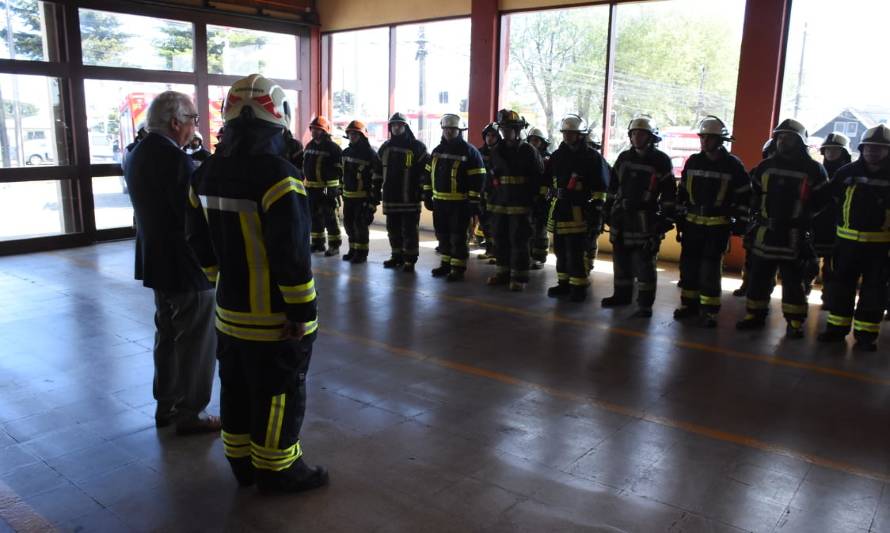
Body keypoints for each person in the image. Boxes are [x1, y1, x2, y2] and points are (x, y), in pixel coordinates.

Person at [185, 74, 327, 492]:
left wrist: (221, 280)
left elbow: (197, 241)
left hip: (229, 312)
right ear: (279, 119)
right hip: (274, 319)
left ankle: (241, 462)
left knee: (237, 387)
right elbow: (292, 256)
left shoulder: (206, 173)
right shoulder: (281, 177)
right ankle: (280, 470)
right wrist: (302, 312)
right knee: (280, 392)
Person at [123, 91, 219, 435]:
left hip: (157, 261)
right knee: (196, 341)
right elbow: (191, 218)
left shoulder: (135, 153)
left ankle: (167, 404)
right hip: (186, 266)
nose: (195, 126)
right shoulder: (174, 160)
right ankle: (192, 412)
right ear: (176, 122)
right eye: (193, 119)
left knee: (167, 335)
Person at [736, 118, 829, 338]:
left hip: (795, 236)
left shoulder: (814, 169)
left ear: (799, 141)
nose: (782, 140)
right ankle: (754, 315)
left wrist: (805, 219)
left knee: (794, 282)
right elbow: (754, 195)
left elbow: (823, 201)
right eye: (780, 136)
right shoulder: (764, 167)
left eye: (788, 137)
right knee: (758, 277)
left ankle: (795, 322)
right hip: (765, 233)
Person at [817, 125, 890, 351]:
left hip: (880, 247)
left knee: (874, 291)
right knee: (841, 288)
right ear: (862, 148)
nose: (872, 152)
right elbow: (827, 202)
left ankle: (866, 336)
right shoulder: (847, 173)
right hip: (845, 244)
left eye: (879, 148)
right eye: (869, 147)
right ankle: (836, 331)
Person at [673, 116, 751, 327]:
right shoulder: (693, 161)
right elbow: (682, 192)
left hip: (718, 226)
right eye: (703, 137)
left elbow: (745, 195)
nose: (704, 141)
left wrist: (740, 221)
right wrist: (678, 215)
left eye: (709, 138)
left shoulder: (733, 165)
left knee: (710, 269)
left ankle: (709, 310)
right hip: (692, 224)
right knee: (688, 267)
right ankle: (689, 305)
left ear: (721, 140)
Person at [602, 116, 676, 317]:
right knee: (621, 261)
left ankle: (644, 305)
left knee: (644, 264)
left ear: (651, 137)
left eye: (641, 134)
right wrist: (607, 210)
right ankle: (621, 296)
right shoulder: (624, 158)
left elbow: (669, 193)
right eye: (633, 133)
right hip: (621, 218)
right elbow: (613, 187)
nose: (636, 137)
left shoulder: (661, 161)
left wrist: (665, 219)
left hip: (645, 220)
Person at [546, 114, 610, 302]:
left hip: (580, 212)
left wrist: (597, 212)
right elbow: (547, 181)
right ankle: (563, 283)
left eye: (571, 133)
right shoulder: (557, 156)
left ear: (580, 135)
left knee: (576, 252)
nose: (567, 136)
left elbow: (601, 188)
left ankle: (579, 286)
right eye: (565, 133)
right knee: (559, 250)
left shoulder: (592, 158)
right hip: (559, 210)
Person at [484, 109, 545, 291]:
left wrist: (536, 203)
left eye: (509, 128)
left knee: (519, 241)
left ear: (517, 130)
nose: (505, 132)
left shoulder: (529, 151)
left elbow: (538, 179)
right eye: (503, 128)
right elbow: (490, 178)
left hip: (520, 205)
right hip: (499, 204)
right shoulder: (496, 151)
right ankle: (503, 273)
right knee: (500, 239)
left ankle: (519, 277)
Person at [423, 114, 486, 281]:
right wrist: (427, 194)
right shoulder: (437, 151)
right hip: (439, 203)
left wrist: (473, 202)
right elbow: (428, 173)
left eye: (452, 129)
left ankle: (457, 269)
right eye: (446, 129)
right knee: (442, 235)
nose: (449, 132)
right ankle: (445, 264)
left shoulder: (469, 152)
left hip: (460, 204)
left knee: (458, 236)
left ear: (459, 131)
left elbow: (478, 179)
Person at [374, 112, 428, 272]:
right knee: (393, 229)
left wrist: (423, 191)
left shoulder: (417, 147)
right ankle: (396, 256)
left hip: (410, 197)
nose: (396, 127)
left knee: (410, 230)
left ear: (405, 126)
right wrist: (375, 190)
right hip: (390, 197)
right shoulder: (385, 147)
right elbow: (376, 172)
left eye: (399, 125)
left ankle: (410, 260)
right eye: (394, 125)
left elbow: (425, 171)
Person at [807, 133, 852, 303]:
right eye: (828, 149)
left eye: (836, 150)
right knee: (809, 261)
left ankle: (829, 296)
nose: (831, 153)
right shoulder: (817, 170)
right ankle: (804, 290)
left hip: (838, 225)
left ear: (844, 153)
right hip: (816, 222)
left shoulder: (849, 174)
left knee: (832, 265)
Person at [340, 120, 382, 264]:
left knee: (360, 225)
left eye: (355, 134)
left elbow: (376, 180)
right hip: (348, 197)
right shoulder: (345, 153)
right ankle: (352, 250)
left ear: (362, 135)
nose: (352, 136)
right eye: (350, 134)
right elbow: (342, 174)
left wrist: (372, 202)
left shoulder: (370, 154)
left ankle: (362, 253)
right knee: (348, 224)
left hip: (362, 198)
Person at [303, 116, 343, 257]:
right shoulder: (309, 145)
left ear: (325, 131)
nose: (315, 132)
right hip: (311, 189)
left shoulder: (333, 148)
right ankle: (318, 243)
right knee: (315, 217)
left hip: (327, 190)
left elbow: (339, 170)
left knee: (330, 218)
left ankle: (334, 245)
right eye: (313, 129)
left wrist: (333, 189)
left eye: (318, 129)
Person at [527, 126, 552, 268]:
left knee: (540, 229)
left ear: (542, 142)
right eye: (531, 140)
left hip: (543, 200)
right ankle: (529, 255)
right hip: (528, 198)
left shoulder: (547, 158)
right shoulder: (525, 157)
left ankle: (540, 258)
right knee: (528, 228)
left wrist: (542, 196)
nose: (533, 143)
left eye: (536, 140)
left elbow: (548, 180)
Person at [476, 122, 500, 262]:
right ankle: (490, 249)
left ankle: (499, 252)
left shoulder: (502, 153)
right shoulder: (479, 153)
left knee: (497, 223)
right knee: (485, 222)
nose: (490, 138)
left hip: (497, 194)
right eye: (488, 136)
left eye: (493, 136)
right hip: (482, 193)